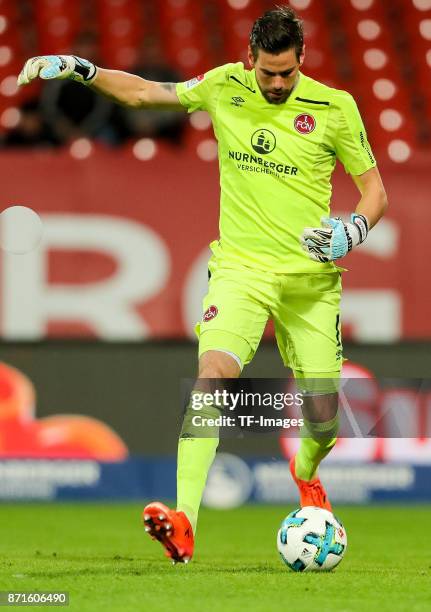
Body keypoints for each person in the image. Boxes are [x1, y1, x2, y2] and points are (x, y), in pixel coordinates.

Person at [17, 6, 388, 564]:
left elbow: (375, 192)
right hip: (241, 271)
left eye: (287, 73)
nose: (279, 84)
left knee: (324, 420)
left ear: (302, 60)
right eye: (268, 73)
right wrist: (80, 68)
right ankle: (185, 519)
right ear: (250, 60)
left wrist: (353, 228)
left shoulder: (336, 107)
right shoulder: (223, 86)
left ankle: (306, 473)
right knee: (213, 374)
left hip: (312, 284)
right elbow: (143, 94)